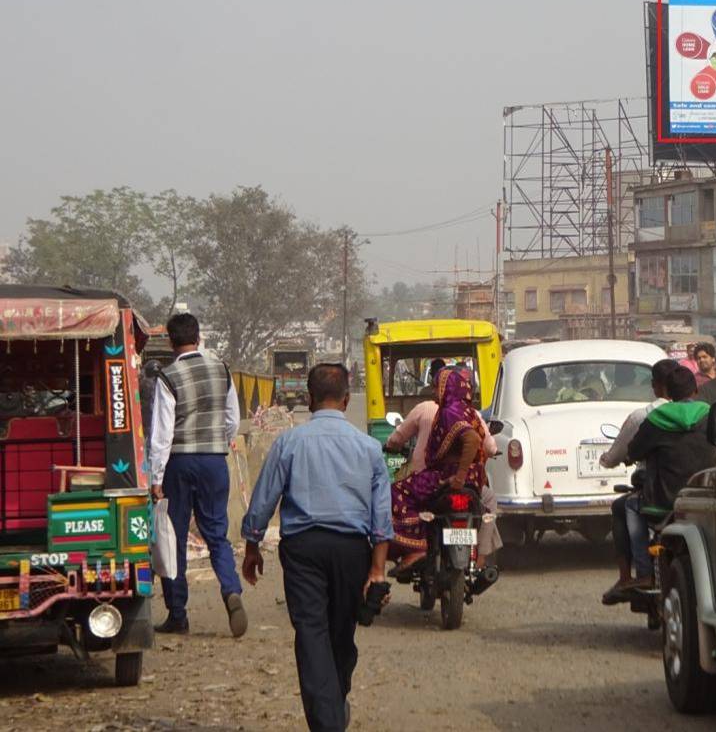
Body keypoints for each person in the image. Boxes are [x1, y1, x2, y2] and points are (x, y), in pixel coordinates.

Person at [241, 364, 391, 732]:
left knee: (312, 636)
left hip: (303, 551)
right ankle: (331, 715)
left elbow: (263, 500)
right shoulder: (370, 448)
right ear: (346, 399)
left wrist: (252, 545)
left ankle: (329, 715)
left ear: (309, 399)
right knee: (341, 633)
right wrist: (377, 570)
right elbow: (382, 517)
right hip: (352, 551)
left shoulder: (290, 443)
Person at [149, 313, 246, 638]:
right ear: (199, 337)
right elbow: (233, 418)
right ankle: (231, 589)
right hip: (214, 461)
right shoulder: (221, 369)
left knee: (173, 537)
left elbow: (161, 434)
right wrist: (219, 441)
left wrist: (156, 478)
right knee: (216, 533)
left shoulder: (168, 376)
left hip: (179, 463)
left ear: (170, 342)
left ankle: (178, 614)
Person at [386, 367, 502, 570]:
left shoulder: (450, 411)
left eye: (436, 387)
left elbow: (472, 439)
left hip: (447, 476)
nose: (434, 392)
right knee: (489, 500)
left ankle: (417, 546)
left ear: (447, 389)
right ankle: (481, 558)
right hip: (474, 480)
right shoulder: (469, 411)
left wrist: (459, 476)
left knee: (396, 492)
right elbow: (485, 444)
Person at [600, 359, 680, 601]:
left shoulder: (644, 417)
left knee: (624, 506)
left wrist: (609, 459)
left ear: (655, 386)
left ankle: (629, 576)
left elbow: (622, 453)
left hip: (657, 493)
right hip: (692, 490)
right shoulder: (701, 413)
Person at [627, 366, 716, 513]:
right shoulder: (712, 415)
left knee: (625, 506)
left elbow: (634, 452)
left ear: (668, 393)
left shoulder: (655, 419)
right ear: (696, 390)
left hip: (663, 504)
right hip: (708, 499)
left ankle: (642, 538)